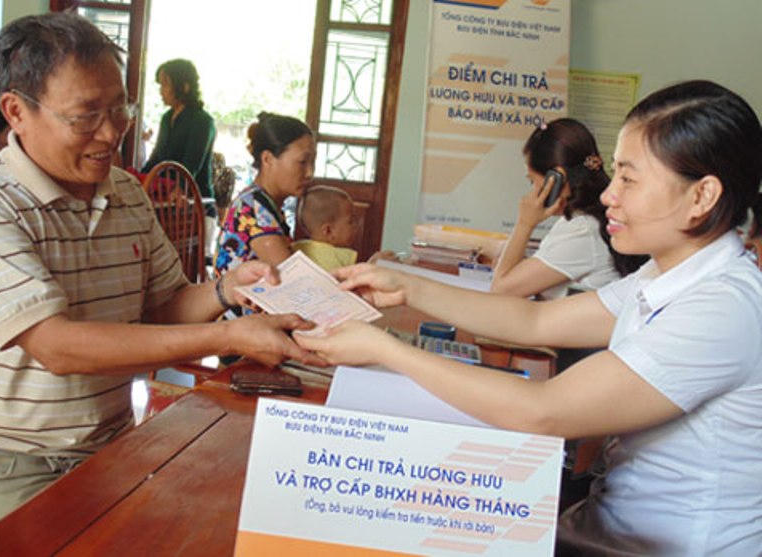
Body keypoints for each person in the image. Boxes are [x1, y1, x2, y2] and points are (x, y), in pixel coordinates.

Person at [296, 80, 762, 555]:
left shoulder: (724, 307)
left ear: (702, 196)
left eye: (629, 179)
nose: (608, 196)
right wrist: (407, 287)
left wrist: (386, 350)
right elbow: (535, 322)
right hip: (608, 524)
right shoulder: (665, 275)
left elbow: (544, 411)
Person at [0, 13, 320, 541]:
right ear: (17, 111)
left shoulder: (125, 193)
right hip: (8, 461)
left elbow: (165, 305)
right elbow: (57, 346)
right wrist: (227, 337)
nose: (111, 133)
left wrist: (227, 290)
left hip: (110, 445)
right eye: (86, 116)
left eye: (120, 109)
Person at [492, 118, 647, 299]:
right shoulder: (591, 218)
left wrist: (525, 223)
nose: (532, 190)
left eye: (532, 181)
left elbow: (500, 291)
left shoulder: (583, 229)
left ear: (555, 179)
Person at [214, 112, 315, 274]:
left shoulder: (262, 202)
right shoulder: (253, 209)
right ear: (267, 159)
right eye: (302, 162)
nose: (310, 173)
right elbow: (292, 277)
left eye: (312, 162)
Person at [141, 59, 218, 251]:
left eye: (165, 84)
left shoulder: (203, 121)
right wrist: (138, 180)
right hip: (168, 203)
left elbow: (192, 164)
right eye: (160, 85)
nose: (161, 91)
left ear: (184, 86)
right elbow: (157, 158)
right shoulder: (167, 118)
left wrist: (180, 188)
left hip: (195, 205)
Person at [292, 186, 359, 271]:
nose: (356, 225)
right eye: (351, 221)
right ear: (328, 230)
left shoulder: (296, 248)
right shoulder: (343, 257)